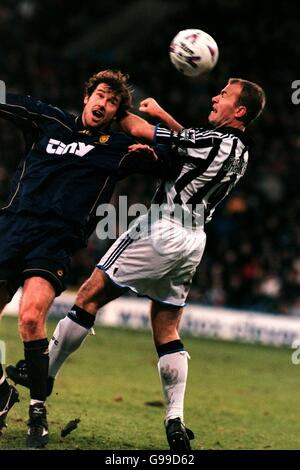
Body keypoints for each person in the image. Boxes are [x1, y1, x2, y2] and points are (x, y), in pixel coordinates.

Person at [8, 78, 266, 450]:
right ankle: (175, 420)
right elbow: (190, 141)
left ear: (239, 111)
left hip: (162, 228)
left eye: (224, 96)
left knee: (87, 298)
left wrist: (122, 107)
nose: (215, 97)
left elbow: (144, 130)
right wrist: (167, 120)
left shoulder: (211, 140)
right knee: (167, 328)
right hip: (195, 241)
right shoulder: (239, 151)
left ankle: (42, 377)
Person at [0, 69, 170, 447]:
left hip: (55, 240)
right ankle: (2, 392)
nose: (104, 104)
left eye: (113, 102)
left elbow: (173, 158)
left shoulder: (118, 147)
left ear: (117, 114)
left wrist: (151, 136)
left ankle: (37, 411)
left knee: (30, 317)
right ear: (87, 96)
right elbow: (6, 100)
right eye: (101, 95)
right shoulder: (50, 119)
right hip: (10, 229)